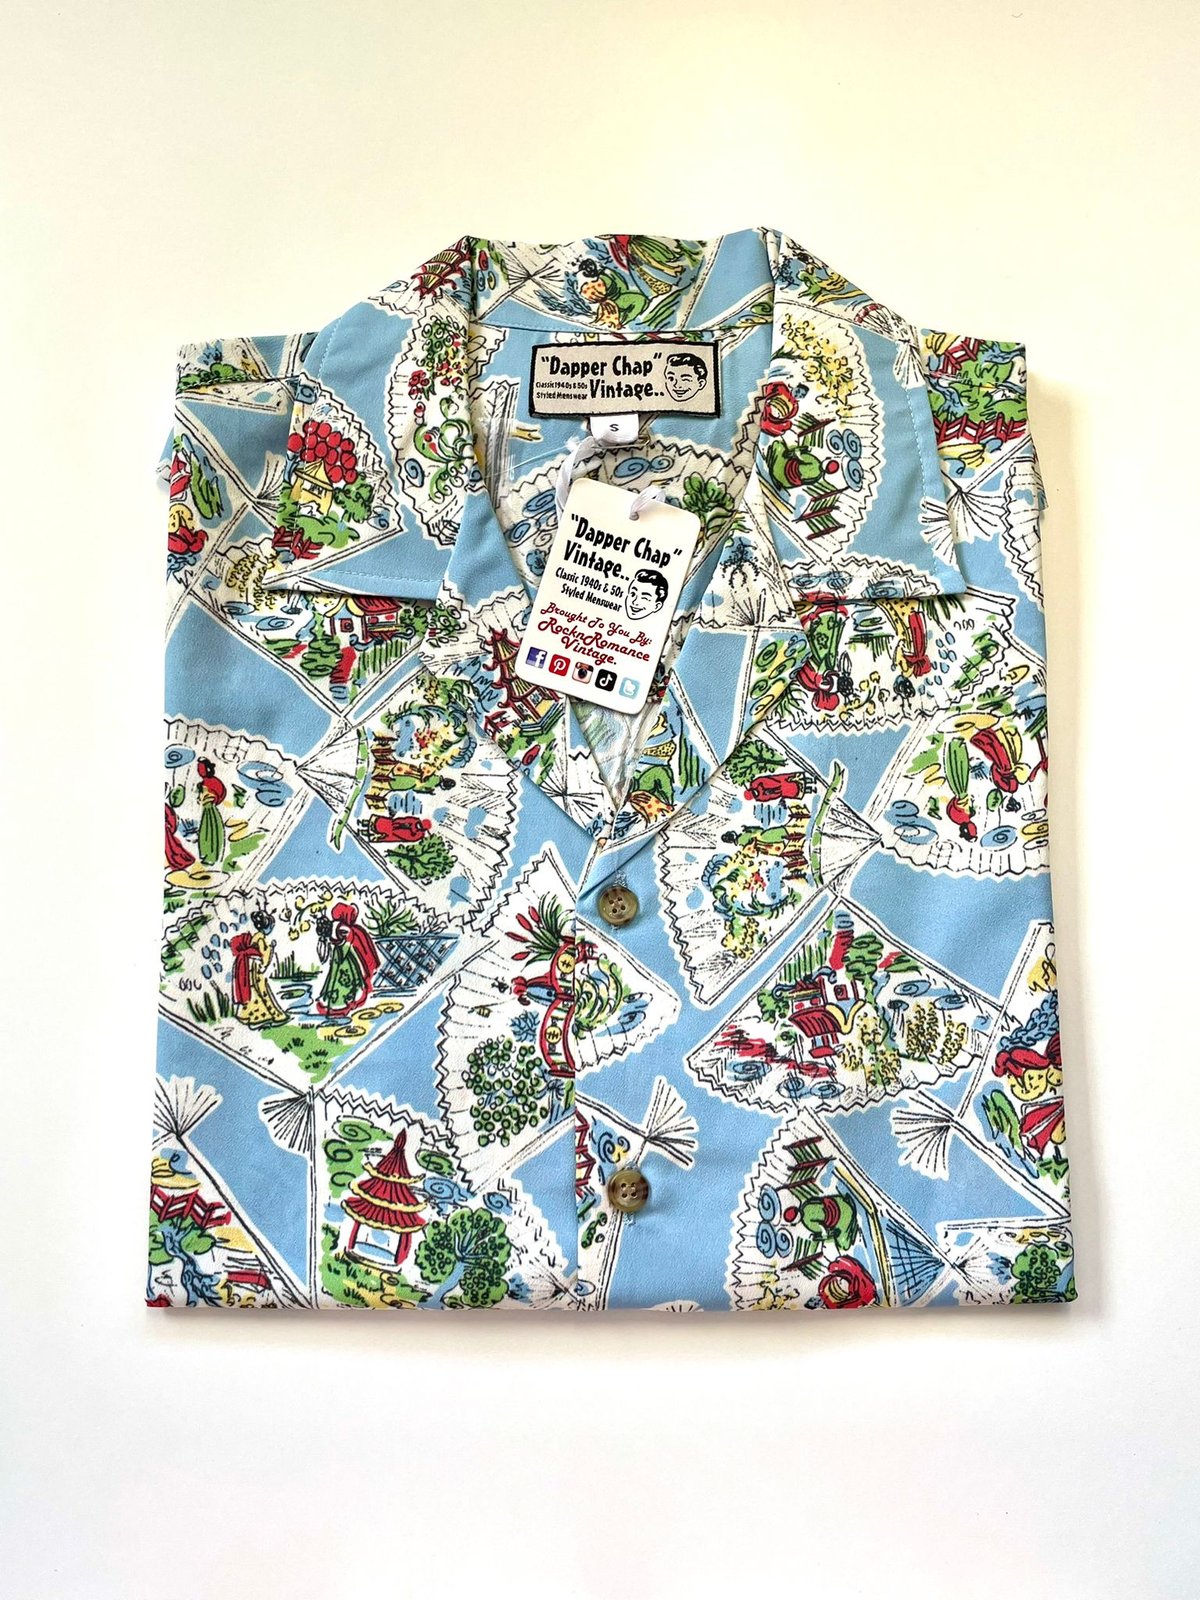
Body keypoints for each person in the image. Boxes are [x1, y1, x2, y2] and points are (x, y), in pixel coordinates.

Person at [315, 902, 380, 1017]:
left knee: (344, 978)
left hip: (345, 955)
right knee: (342, 977)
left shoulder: (345, 928)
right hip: (344, 955)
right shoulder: (349, 929)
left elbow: (338, 937)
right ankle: (339, 1002)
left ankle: (340, 1002)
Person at [230, 909, 288, 1028]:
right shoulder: (261, 939)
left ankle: (247, 1014)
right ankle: (265, 1015)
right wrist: (271, 948)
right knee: (260, 989)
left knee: (252, 989)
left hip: (248, 966)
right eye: (271, 926)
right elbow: (264, 955)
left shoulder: (256, 937)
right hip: (255, 967)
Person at [196, 758, 227, 867]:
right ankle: (205, 853)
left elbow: (220, 792)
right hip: (206, 809)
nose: (200, 771)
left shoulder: (213, 782)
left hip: (211, 810)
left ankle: (211, 856)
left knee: (211, 831)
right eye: (199, 768)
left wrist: (211, 798)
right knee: (205, 831)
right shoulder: (202, 783)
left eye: (201, 768)